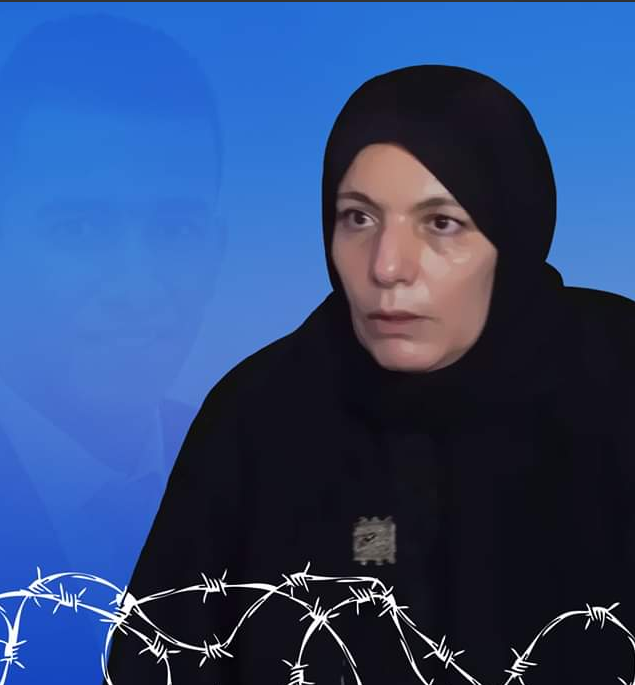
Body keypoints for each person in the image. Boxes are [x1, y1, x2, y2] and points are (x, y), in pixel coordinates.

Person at [103, 65, 635, 685]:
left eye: (441, 223)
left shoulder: (617, 383)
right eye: (358, 218)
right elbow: (156, 659)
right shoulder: (258, 417)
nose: (386, 267)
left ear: (514, 234)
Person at [0, 13, 225, 685]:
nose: (137, 287)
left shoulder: (259, 476)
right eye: (79, 228)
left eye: (174, 228)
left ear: (215, 251)